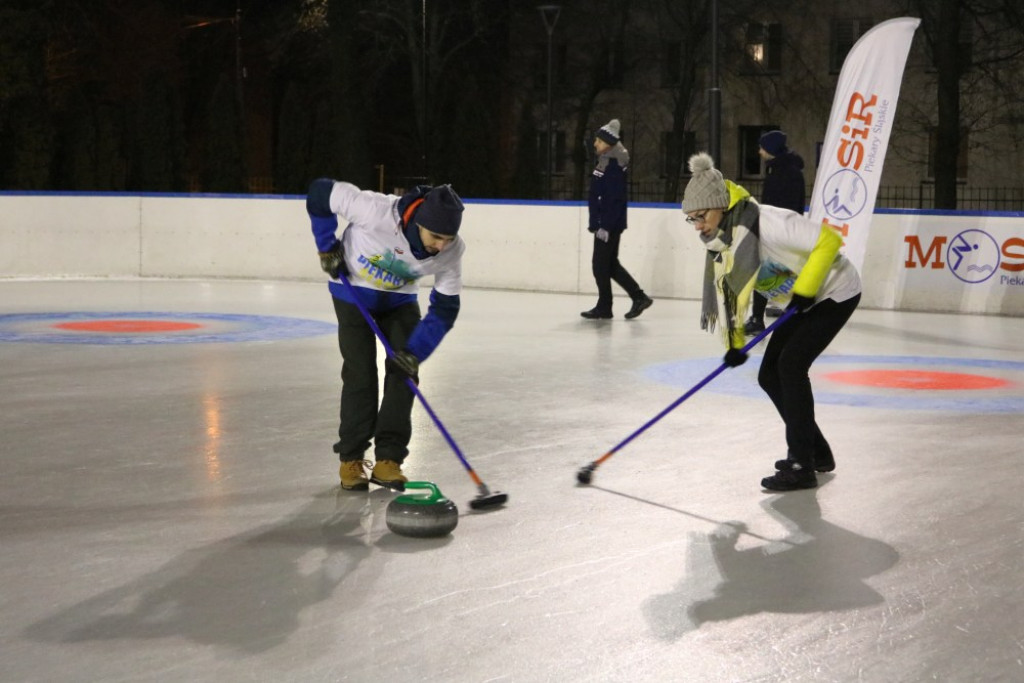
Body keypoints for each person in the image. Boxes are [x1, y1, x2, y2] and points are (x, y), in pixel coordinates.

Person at [681, 152, 861, 491]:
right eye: (691, 219)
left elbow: (829, 240)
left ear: (720, 204)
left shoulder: (769, 222)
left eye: (702, 215)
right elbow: (732, 295)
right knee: (769, 374)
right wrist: (734, 345)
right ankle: (815, 452)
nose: (699, 226)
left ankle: (801, 464)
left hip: (835, 292)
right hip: (800, 303)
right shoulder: (722, 242)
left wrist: (807, 289)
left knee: (791, 365)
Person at [307, 178, 465, 491]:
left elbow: (445, 309)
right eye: (436, 237)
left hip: (400, 302)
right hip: (352, 295)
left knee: (404, 374)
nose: (441, 246)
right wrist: (326, 246)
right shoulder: (375, 211)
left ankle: (388, 460)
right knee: (360, 375)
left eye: (448, 238)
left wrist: (414, 352)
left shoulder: (451, 251)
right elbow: (319, 192)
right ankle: (351, 458)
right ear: (418, 222)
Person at [580, 118, 653, 320]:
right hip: (608, 223)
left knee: (600, 265)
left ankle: (606, 306)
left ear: (609, 144)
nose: (595, 144)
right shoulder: (605, 161)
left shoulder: (612, 165)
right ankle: (638, 297)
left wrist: (604, 226)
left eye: (599, 141)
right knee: (609, 264)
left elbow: (612, 198)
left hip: (608, 224)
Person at [745, 129, 806, 335]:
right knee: (769, 273)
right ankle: (759, 318)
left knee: (769, 273)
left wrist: (772, 228)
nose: (760, 152)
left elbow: (784, 206)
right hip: (781, 229)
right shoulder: (780, 169)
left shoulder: (785, 173)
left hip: (780, 231)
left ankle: (761, 318)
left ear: (771, 149)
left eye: (762, 147)